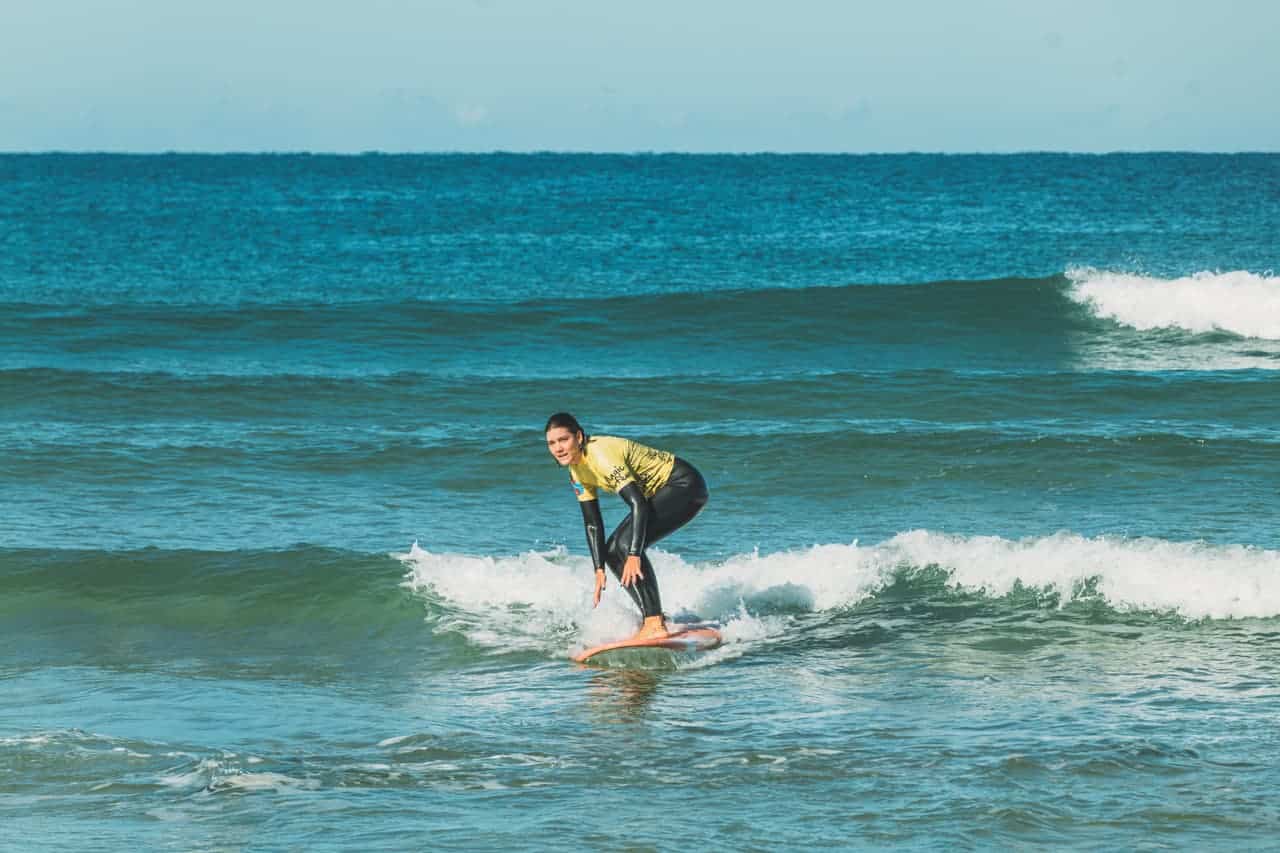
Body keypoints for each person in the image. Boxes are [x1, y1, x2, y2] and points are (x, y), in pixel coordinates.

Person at [545, 412, 709, 641]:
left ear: (579, 437)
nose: (558, 448)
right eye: (552, 443)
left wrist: (634, 554)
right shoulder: (576, 471)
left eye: (564, 440)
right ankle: (654, 618)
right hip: (666, 492)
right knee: (612, 551)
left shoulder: (601, 456)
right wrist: (599, 568)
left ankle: (654, 622)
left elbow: (638, 503)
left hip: (684, 485)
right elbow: (592, 522)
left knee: (623, 545)